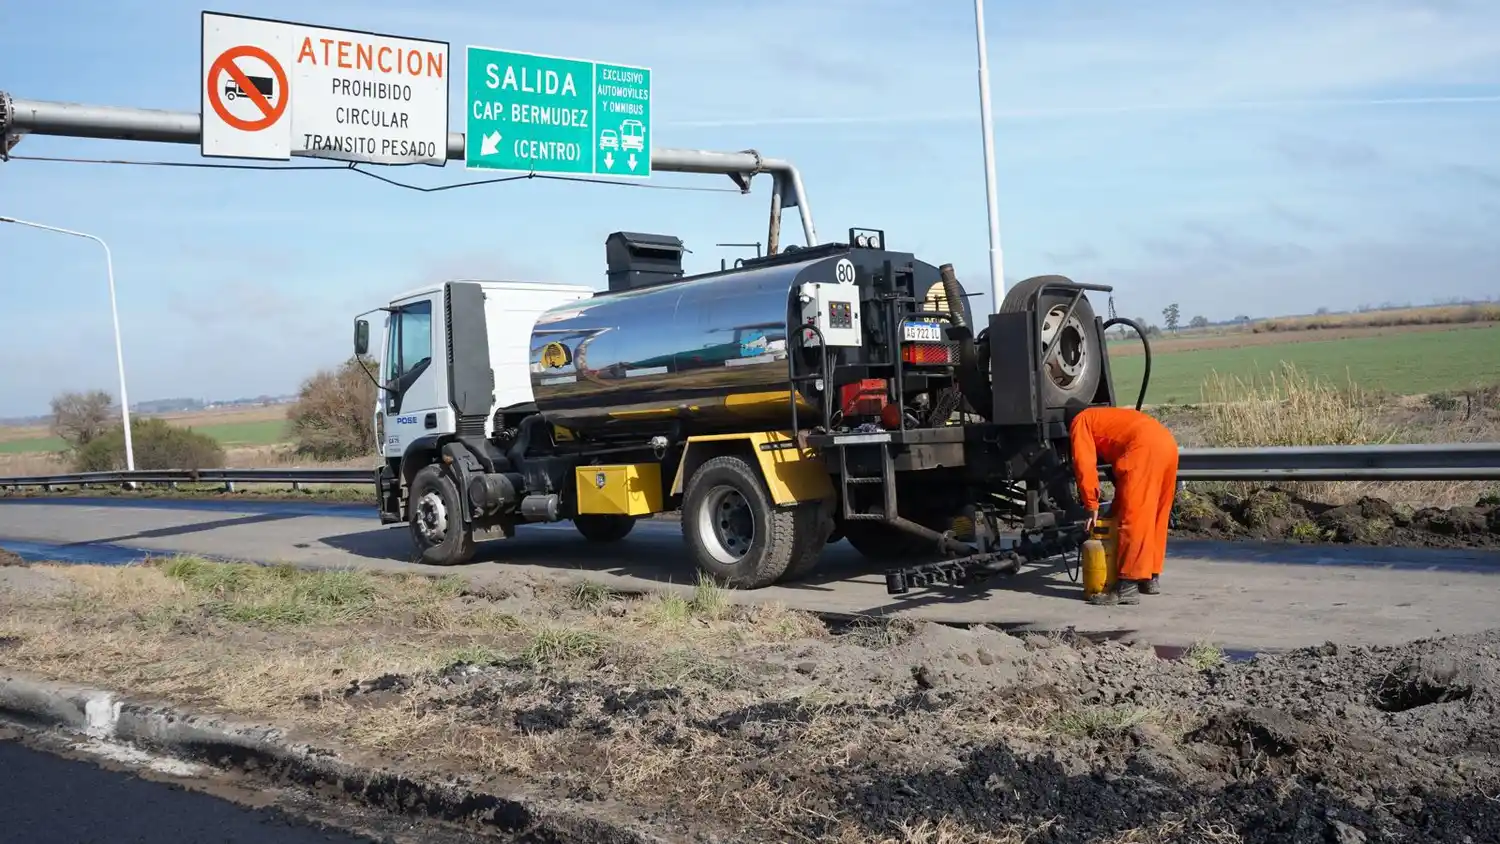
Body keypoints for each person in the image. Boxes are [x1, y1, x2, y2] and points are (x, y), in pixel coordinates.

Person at [1066, 403, 1180, 606]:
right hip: (1167, 443)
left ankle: (1127, 586)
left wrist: (1091, 504)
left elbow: (1084, 463)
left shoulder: (1080, 420)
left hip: (1143, 447)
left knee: (1133, 518)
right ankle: (1149, 578)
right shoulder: (1104, 415)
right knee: (1156, 514)